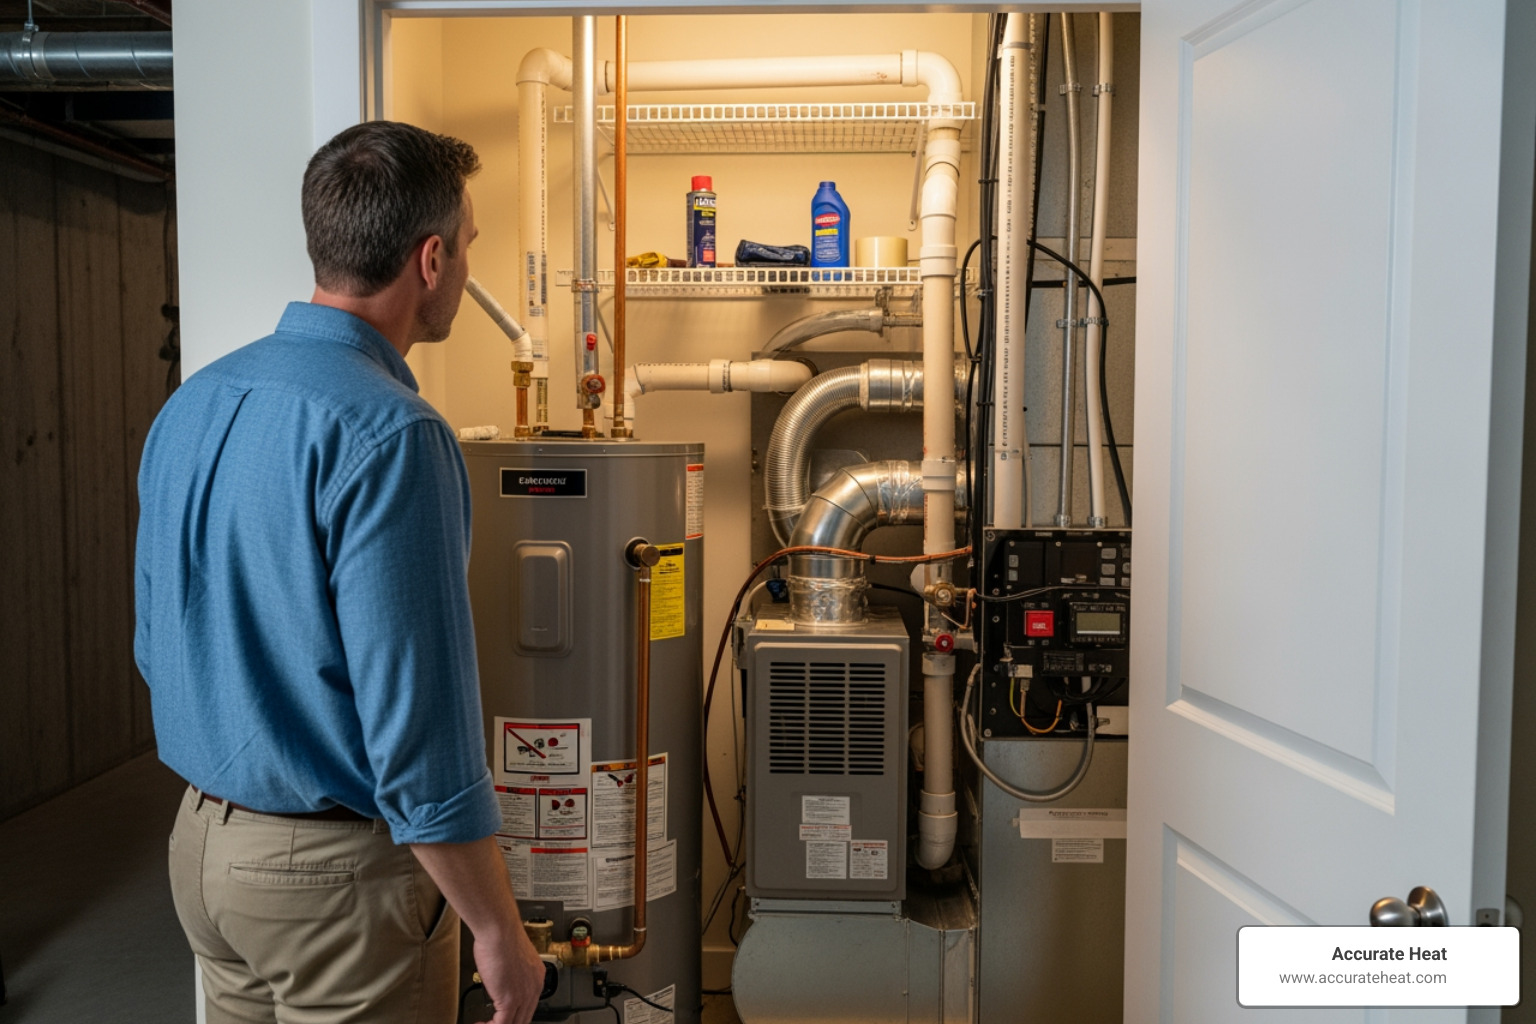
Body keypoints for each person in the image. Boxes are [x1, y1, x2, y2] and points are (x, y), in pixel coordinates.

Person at [134, 121, 546, 1024]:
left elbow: (158, 643)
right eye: (469, 246)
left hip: (201, 856)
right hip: (333, 887)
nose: (468, 268)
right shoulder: (394, 434)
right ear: (430, 260)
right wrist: (497, 930)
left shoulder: (194, 402)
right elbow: (421, 737)